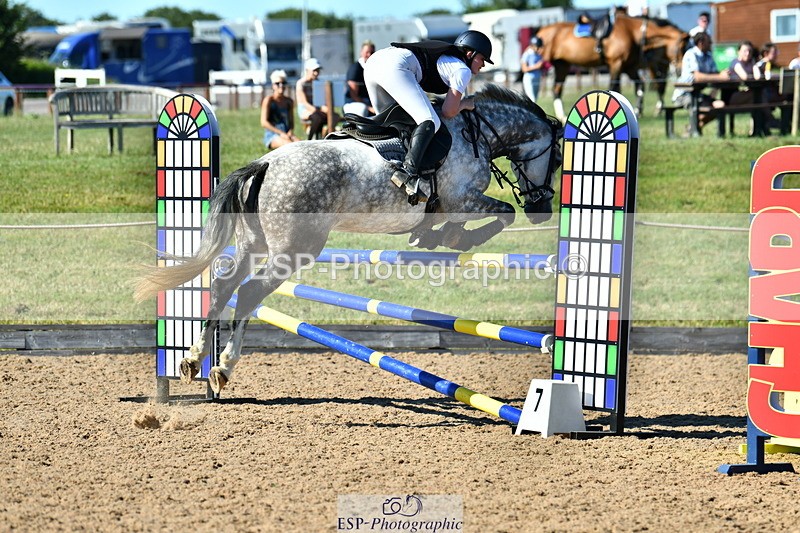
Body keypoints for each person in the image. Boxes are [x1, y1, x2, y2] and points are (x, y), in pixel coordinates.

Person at [363, 30, 493, 204]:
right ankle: (407, 173)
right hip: (395, 66)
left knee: (392, 122)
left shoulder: (451, 60)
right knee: (431, 121)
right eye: (482, 59)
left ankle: (381, 170)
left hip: (374, 62)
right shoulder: (462, 70)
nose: (483, 64)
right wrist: (465, 104)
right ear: (470, 54)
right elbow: (449, 111)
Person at [671, 32, 730, 131]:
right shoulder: (691, 54)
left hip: (698, 94)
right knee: (704, 107)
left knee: (720, 105)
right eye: (709, 42)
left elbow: (715, 74)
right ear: (701, 43)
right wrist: (720, 77)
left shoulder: (708, 55)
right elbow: (697, 77)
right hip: (684, 94)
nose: (711, 44)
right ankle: (693, 130)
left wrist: (723, 74)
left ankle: (692, 128)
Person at [295, 57, 341, 139]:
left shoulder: (319, 82)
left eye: (318, 70)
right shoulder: (301, 83)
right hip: (305, 109)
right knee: (317, 117)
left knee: (335, 116)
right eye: (314, 71)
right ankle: (310, 139)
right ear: (307, 70)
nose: (316, 73)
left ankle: (326, 134)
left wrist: (326, 110)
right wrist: (318, 111)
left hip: (317, 108)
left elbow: (322, 100)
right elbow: (304, 103)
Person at [261, 69, 298, 149]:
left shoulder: (289, 101)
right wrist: (281, 133)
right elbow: (264, 123)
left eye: (283, 83)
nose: (281, 85)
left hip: (286, 133)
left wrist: (290, 132)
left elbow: (291, 123)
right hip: (272, 134)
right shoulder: (269, 100)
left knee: (301, 146)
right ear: (273, 86)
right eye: (277, 83)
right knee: (290, 146)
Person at [343, 40, 376, 117]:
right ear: (361, 52)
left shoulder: (373, 68)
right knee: (362, 109)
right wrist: (370, 108)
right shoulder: (355, 69)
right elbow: (354, 95)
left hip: (369, 103)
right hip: (354, 104)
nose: (369, 55)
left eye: (372, 52)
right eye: (367, 52)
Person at [520, 36, 544, 103]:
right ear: (532, 46)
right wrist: (536, 66)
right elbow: (524, 69)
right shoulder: (527, 54)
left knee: (535, 100)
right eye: (537, 47)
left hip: (537, 78)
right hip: (529, 79)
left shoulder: (539, 55)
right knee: (532, 99)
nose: (539, 49)